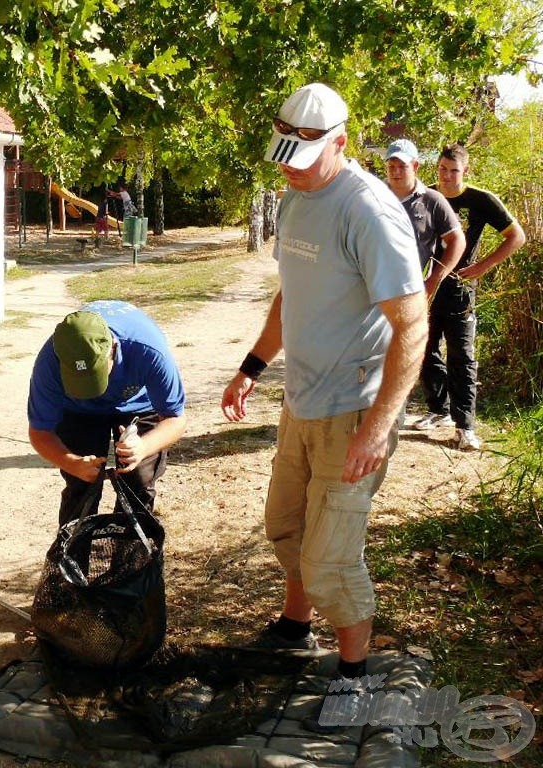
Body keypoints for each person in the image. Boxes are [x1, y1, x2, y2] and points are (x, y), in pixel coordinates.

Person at [221, 84, 427, 708]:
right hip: (301, 401)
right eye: (283, 156)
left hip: (354, 409)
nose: (290, 168)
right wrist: (253, 365)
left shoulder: (367, 210)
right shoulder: (292, 197)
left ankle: (353, 676)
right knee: (285, 528)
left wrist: (377, 428)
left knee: (332, 562)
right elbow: (291, 291)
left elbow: (412, 322)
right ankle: (294, 626)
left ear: (339, 143)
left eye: (303, 159)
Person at [27, 300, 186, 526]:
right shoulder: (49, 362)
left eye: (96, 375)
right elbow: (40, 431)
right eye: (80, 379)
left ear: (113, 347)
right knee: (81, 485)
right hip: (78, 410)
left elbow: (175, 418)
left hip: (138, 406)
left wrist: (143, 447)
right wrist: (72, 463)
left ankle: (131, 556)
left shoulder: (148, 349)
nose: (92, 387)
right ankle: (75, 556)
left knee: (139, 480)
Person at [414, 143, 527, 450]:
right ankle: (438, 410)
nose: (447, 176)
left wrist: (482, 266)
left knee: (461, 355)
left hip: (459, 287)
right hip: (424, 285)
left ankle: (465, 427)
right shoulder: (425, 196)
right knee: (423, 348)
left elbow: (516, 236)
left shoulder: (480, 199)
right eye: (442, 169)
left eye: (454, 171)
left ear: (465, 171)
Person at [383, 139, 465, 299]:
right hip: (371, 291)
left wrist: (433, 281)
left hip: (411, 292)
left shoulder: (432, 200)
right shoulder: (373, 195)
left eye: (402, 166)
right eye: (391, 167)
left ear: (415, 166)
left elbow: (457, 240)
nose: (396, 172)